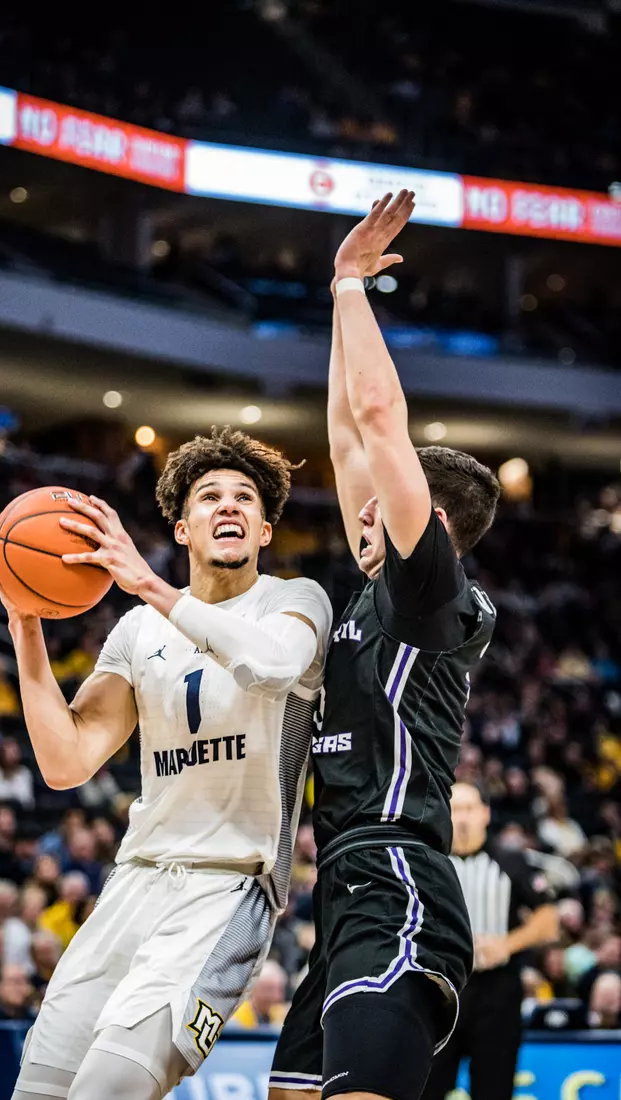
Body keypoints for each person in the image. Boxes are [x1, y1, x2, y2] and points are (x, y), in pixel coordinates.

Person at [0, 427, 332, 1100]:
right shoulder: (139, 630)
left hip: (227, 889)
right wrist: (25, 626)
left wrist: (147, 583)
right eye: (209, 497)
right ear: (182, 528)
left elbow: (270, 668)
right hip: (133, 882)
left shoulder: (295, 601)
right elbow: (66, 761)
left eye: (244, 499)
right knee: (38, 1093)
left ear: (264, 531)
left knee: (107, 1091)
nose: (228, 507)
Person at [269, 192, 502, 1100]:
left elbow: (374, 417)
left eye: (384, 494)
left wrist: (351, 287)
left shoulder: (427, 589)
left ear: (429, 520)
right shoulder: (374, 591)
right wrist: (337, 296)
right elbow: (343, 433)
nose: (358, 499)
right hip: (347, 889)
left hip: (399, 879)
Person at [422, 783, 558, 1100]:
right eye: (455, 809)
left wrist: (506, 945)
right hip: (437, 993)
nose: (463, 818)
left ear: (486, 814)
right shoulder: (426, 861)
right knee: (426, 1089)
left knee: (494, 1089)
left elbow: (549, 920)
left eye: (470, 809)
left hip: (496, 994)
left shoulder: (510, 861)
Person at [232, 960, 289, 1028]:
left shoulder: (282, 1015)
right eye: (268, 990)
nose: (275, 996)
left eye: (279, 990)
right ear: (253, 990)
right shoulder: (235, 1018)